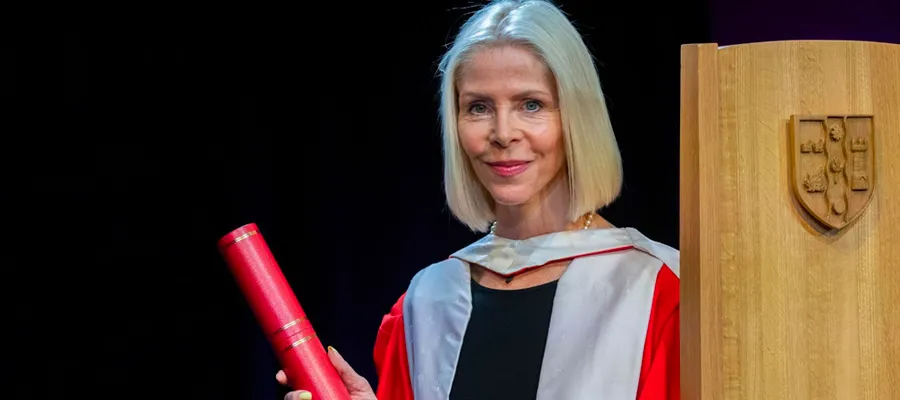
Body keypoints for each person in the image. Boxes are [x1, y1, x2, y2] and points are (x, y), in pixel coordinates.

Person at [280, 0, 679, 398]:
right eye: (479, 107)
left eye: (531, 104)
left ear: (577, 117)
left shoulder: (657, 290)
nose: (503, 133)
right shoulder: (427, 303)